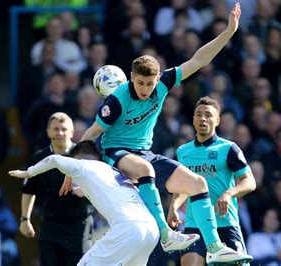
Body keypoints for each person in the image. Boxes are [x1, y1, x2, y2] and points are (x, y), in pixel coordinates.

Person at [61, 2, 251, 263]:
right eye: (140, 83)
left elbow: (199, 59)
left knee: (198, 183)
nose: (145, 88)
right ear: (131, 77)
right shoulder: (117, 100)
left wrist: (229, 32)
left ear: (158, 78)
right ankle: (166, 234)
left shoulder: (163, 84)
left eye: (150, 83)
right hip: (115, 152)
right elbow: (91, 133)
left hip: (144, 153)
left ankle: (216, 247)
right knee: (146, 171)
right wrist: (73, 169)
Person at [9, 140, 160, 265]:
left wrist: (29, 172)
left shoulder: (83, 165)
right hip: (151, 231)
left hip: (128, 230)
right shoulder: (111, 171)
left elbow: (53, 159)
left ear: (75, 159)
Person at [168, 96, 256, 265]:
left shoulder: (229, 148)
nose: (203, 118)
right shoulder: (183, 152)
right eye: (199, 114)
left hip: (225, 223)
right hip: (195, 226)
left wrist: (229, 194)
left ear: (217, 121)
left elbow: (249, 181)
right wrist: (174, 206)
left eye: (208, 115)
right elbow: (183, 187)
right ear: (193, 119)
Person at [19, 112, 93, 266]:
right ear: (48, 132)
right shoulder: (39, 158)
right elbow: (29, 190)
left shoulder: (85, 157)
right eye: (55, 129)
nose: (60, 133)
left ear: (72, 132)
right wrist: (25, 219)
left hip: (79, 228)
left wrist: (85, 191)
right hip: (50, 227)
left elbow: (101, 187)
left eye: (64, 129)